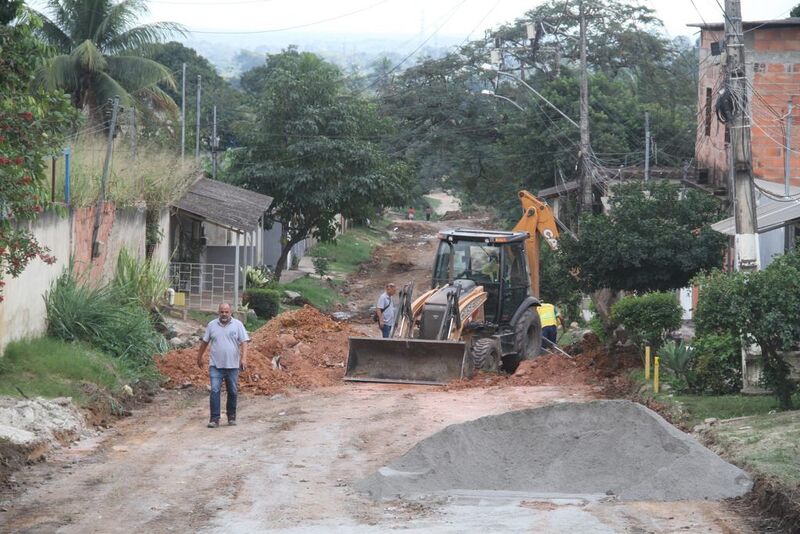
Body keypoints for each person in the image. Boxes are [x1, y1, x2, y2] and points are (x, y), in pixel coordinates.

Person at [196, 303, 250, 428]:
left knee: (232, 391)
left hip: (232, 365)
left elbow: (244, 342)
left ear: (230, 312)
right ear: (218, 312)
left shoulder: (238, 325)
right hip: (215, 365)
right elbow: (205, 342)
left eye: (226, 312)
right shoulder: (212, 325)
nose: (224, 314)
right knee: (215, 390)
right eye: (222, 312)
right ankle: (214, 419)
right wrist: (199, 357)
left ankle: (231, 416)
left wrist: (244, 358)